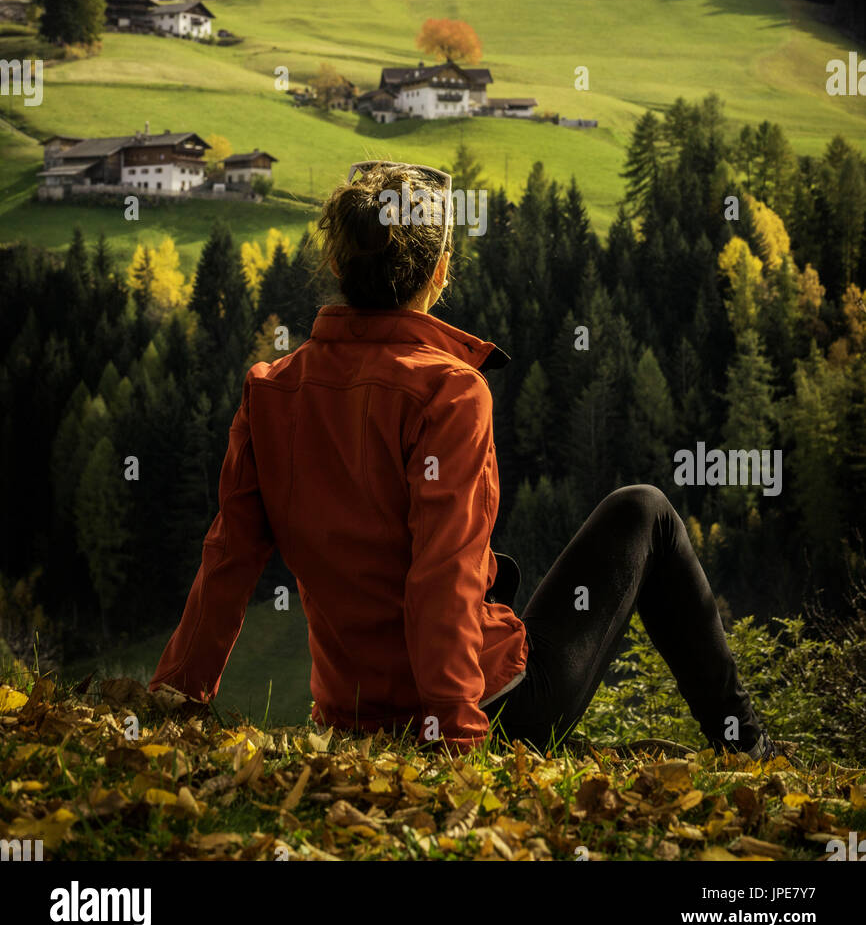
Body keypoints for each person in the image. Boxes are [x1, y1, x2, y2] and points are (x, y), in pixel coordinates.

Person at [149, 160, 775, 760]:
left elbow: (229, 557)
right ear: (440, 272)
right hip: (485, 708)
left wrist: (176, 697)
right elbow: (441, 572)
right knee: (645, 510)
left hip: (351, 710)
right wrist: (454, 737)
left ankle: (743, 746)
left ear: (337, 262)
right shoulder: (447, 390)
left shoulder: (270, 389)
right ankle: (747, 745)